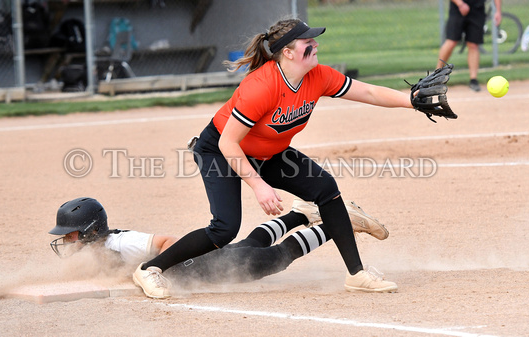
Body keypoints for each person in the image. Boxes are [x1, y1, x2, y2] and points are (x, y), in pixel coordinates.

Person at [135, 18, 414, 299]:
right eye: (308, 42)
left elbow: (368, 91)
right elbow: (228, 142)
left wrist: (411, 100)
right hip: (220, 151)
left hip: (267, 151)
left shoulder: (318, 76)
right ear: (288, 52)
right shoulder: (262, 86)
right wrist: (258, 185)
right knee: (224, 228)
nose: (316, 45)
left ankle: (357, 274)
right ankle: (150, 269)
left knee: (326, 189)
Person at [48, 197, 390, 296]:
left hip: (203, 266)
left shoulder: (123, 242)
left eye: (72, 234)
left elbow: (167, 242)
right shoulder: (102, 249)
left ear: (91, 230)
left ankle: (336, 223)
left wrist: (167, 266)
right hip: (207, 265)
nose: (66, 240)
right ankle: (301, 215)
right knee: (251, 245)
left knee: (274, 258)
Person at [437, 0, 502, 91]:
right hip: (458, 8)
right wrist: (460, 4)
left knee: (473, 44)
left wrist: (498, 11)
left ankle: (473, 79)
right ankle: (436, 75)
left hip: (477, 9)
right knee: (451, 42)